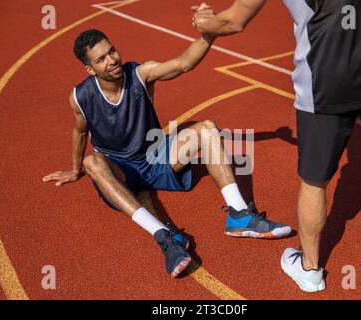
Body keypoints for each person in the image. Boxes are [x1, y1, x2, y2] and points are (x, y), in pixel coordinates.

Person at [192, 0, 361, 299]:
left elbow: (234, 21)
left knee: (315, 181)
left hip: (326, 75)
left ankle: (310, 269)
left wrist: (204, 23)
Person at [42, 25, 292, 278]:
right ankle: (164, 236)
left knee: (207, 129)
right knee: (92, 163)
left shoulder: (141, 74)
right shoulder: (80, 96)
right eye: (101, 59)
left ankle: (239, 215)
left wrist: (211, 33)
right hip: (120, 171)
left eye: (112, 51)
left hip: (154, 156)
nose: (112, 60)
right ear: (90, 69)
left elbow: (183, 64)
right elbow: (80, 132)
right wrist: (75, 170)